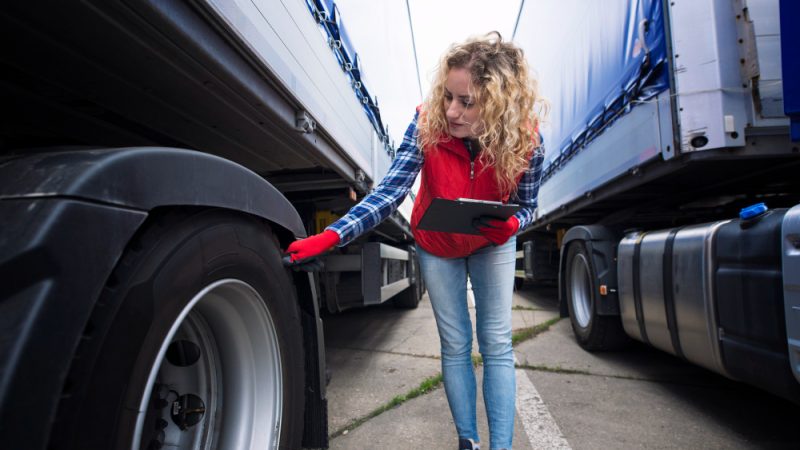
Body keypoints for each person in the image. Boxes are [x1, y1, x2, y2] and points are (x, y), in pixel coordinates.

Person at [286, 31, 545, 450]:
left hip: (490, 243)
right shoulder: (428, 122)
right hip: (437, 243)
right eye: (448, 96)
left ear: (499, 105)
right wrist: (333, 235)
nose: (452, 110)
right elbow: (390, 191)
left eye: (467, 102)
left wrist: (514, 225)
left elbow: (529, 204)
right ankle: (468, 441)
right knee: (456, 342)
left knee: (495, 342)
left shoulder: (529, 142)